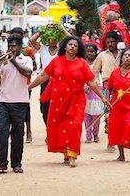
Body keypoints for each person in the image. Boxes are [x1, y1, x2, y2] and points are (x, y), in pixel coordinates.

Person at [29, 36, 110, 168]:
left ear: (78, 49)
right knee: (60, 125)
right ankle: (66, 153)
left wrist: (103, 97)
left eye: (75, 45)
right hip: (58, 100)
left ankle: (72, 155)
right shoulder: (56, 61)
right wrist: (29, 87)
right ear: (65, 46)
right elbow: (43, 75)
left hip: (76, 99)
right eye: (70, 44)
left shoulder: (82, 63)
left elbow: (91, 81)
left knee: (74, 125)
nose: (72, 46)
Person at [0, 34, 33, 174]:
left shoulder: (26, 59)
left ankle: (16, 163)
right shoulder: (5, 61)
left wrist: (13, 60)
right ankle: (1, 164)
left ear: (20, 47)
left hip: (20, 102)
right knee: (1, 133)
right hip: (3, 101)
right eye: (9, 46)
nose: (11, 48)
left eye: (14, 46)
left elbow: (27, 73)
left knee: (17, 134)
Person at [106, 49, 130, 163]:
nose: (126, 57)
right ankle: (121, 155)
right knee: (117, 128)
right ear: (121, 58)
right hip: (117, 104)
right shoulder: (115, 72)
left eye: (129, 55)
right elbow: (109, 87)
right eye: (125, 55)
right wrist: (108, 101)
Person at [29, 24, 67, 126]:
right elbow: (32, 40)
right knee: (45, 106)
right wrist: (43, 30)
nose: (52, 40)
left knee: (59, 105)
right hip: (45, 80)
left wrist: (61, 29)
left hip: (60, 81)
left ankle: (58, 127)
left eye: (55, 38)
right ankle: (49, 127)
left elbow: (70, 39)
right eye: (50, 38)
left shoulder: (62, 49)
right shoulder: (42, 48)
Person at [91, 31, 121, 152]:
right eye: (108, 42)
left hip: (122, 87)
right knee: (109, 115)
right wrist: (90, 85)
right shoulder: (102, 55)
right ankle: (111, 142)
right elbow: (94, 72)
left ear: (117, 42)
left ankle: (120, 141)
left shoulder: (123, 54)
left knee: (120, 115)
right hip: (107, 86)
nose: (110, 44)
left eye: (112, 42)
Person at [11, 27, 36, 143]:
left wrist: (20, 64)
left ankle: (28, 130)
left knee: (26, 109)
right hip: (11, 84)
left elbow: (34, 66)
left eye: (18, 35)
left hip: (25, 84)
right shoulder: (9, 50)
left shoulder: (28, 50)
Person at [83, 43, 104, 143]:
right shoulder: (82, 62)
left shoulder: (98, 62)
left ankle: (95, 134)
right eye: (88, 51)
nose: (90, 53)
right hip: (84, 90)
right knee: (86, 114)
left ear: (96, 53)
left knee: (96, 114)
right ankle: (88, 135)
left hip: (96, 90)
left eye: (92, 51)